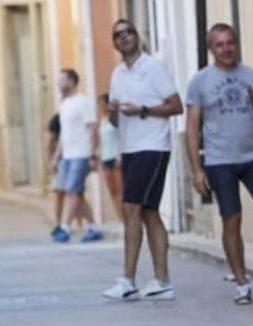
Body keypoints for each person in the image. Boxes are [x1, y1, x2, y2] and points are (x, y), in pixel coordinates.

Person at [186, 23, 253, 305]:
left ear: (236, 44)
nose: (226, 49)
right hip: (219, 161)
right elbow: (192, 128)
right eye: (219, 44)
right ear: (211, 49)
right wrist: (196, 169)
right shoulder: (200, 81)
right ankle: (241, 282)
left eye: (230, 43)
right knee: (232, 219)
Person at [104, 19, 183, 300]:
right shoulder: (117, 74)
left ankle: (128, 280)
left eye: (128, 32)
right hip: (129, 148)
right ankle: (163, 281)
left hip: (153, 146)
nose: (124, 37)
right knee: (149, 213)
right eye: (118, 35)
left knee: (131, 208)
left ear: (137, 37)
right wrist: (112, 111)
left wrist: (143, 110)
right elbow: (115, 121)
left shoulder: (153, 67)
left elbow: (177, 105)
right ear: (114, 42)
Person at [49, 69, 103, 244]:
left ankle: (65, 227)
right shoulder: (64, 105)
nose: (58, 83)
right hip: (68, 155)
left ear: (72, 81)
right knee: (75, 192)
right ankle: (93, 227)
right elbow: (64, 134)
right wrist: (56, 156)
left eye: (62, 80)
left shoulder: (83, 101)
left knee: (73, 190)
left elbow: (93, 128)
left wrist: (93, 153)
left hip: (82, 153)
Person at [98, 93, 123, 221]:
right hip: (106, 158)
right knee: (112, 192)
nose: (100, 107)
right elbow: (101, 141)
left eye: (102, 104)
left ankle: (126, 218)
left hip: (116, 157)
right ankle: (120, 218)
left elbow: (121, 138)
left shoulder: (115, 119)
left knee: (120, 191)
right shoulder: (102, 120)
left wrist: (119, 156)